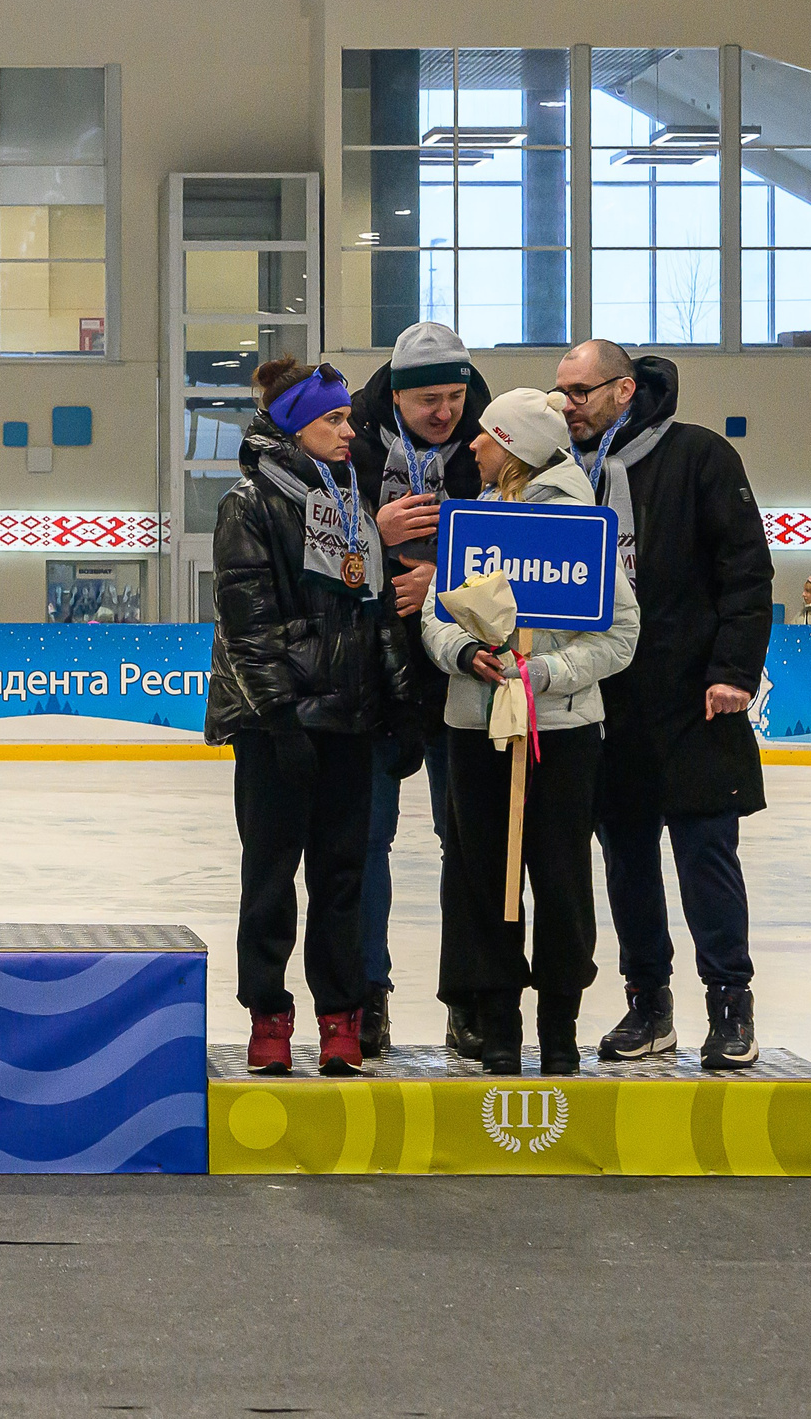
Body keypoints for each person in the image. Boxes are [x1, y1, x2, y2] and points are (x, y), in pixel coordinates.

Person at [555, 339, 771, 1069]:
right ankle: (649, 1001)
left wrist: (734, 668)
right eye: (561, 391)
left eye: (580, 390)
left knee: (706, 853)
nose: (566, 404)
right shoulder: (565, 473)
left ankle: (730, 1001)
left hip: (695, 700)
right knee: (626, 862)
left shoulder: (700, 457)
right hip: (607, 703)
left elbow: (745, 568)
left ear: (623, 390)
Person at [421, 389, 638, 1077]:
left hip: (563, 734)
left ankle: (559, 1024)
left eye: (485, 436)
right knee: (484, 876)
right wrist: (464, 652)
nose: (472, 446)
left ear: (512, 446)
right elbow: (435, 614)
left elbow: (622, 631)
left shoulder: (582, 525)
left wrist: (546, 672)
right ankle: (497, 1023)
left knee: (561, 874)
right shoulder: (473, 521)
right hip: (476, 729)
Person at [206, 357, 413, 1077]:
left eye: (349, 419)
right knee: (270, 875)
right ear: (296, 424)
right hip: (277, 729)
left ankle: (339, 1017)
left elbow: (378, 614)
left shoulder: (351, 506)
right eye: (334, 419)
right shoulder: (249, 504)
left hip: (349, 722)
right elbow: (248, 625)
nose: (349, 432)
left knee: (342, 877)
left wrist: (399, 701)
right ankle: (268, 1012)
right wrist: (281, 720)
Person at [347, 320, 490, 1058]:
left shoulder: (496, 448)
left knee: (463, 841)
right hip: (375, 673)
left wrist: (449, 582)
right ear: (398, 395)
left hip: (460, 670)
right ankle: (367, 996)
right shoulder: (351, 446)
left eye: (455, 396)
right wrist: (373, 529)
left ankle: (468, 998)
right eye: (429, 399)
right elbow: (309, 551)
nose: (446, 412)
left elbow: (531, 552)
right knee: (367, 840)